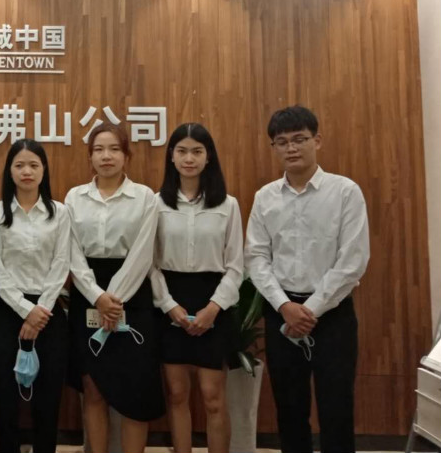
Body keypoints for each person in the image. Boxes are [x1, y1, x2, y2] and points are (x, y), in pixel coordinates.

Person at [245, 105, 369, 453]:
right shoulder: (265, 197)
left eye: (299, 139)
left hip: (332, 315)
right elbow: (256, 257)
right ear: (274, 147)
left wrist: (310, 309)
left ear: (317, 140)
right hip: (281, 313)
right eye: (282, 142)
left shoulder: (345, 192)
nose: (291, 148)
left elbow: (353, 261)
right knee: (289, 408)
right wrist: (285, 306)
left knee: (336, 407)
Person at [66, 123, 164, 453]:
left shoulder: (145, 197)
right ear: (90, 157)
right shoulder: (75, 198)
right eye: (98, 150)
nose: (106, 156)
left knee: (136, 389)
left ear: (126, 156)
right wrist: (98, 297)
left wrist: (114, 300)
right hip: (87, 293)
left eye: (114, 149)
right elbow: (72, 253)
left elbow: (142, 254)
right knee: (93, 387)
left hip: (132, 296)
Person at [150, 123, 243, 453]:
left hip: (212, 301)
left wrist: (213, 308)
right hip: (169, 301)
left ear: (208, 157)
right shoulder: (156, 204)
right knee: (177, 395)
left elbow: (236, 265)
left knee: (213, 396)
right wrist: (168, 305)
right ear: (171, 157)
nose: (189, 158)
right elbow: (150, 263)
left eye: (197, 151)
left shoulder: (227, 205)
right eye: (182, 151)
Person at [0, 139, 71, 453]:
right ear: (10, 171)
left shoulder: (59, 213)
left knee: (48, 398)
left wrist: (39, 310)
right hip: (8, 313)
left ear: (44, 170)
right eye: (19, 165)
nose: (27, 171)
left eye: (34, 165)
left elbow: (62, 263)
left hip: (49, 314)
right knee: (5, 398)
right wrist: (25, 310)